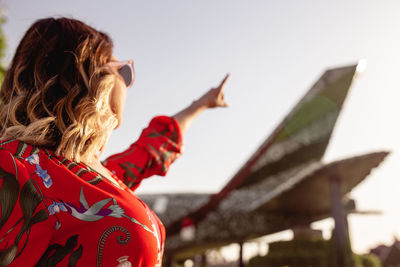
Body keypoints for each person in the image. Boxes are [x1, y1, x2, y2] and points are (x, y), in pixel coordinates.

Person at [0, 17, 229, 267]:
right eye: (124, 72)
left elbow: (149, 151)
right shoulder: (13, 170)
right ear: (91, 80)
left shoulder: (92, 180)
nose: (127, 85)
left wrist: (200, 105)